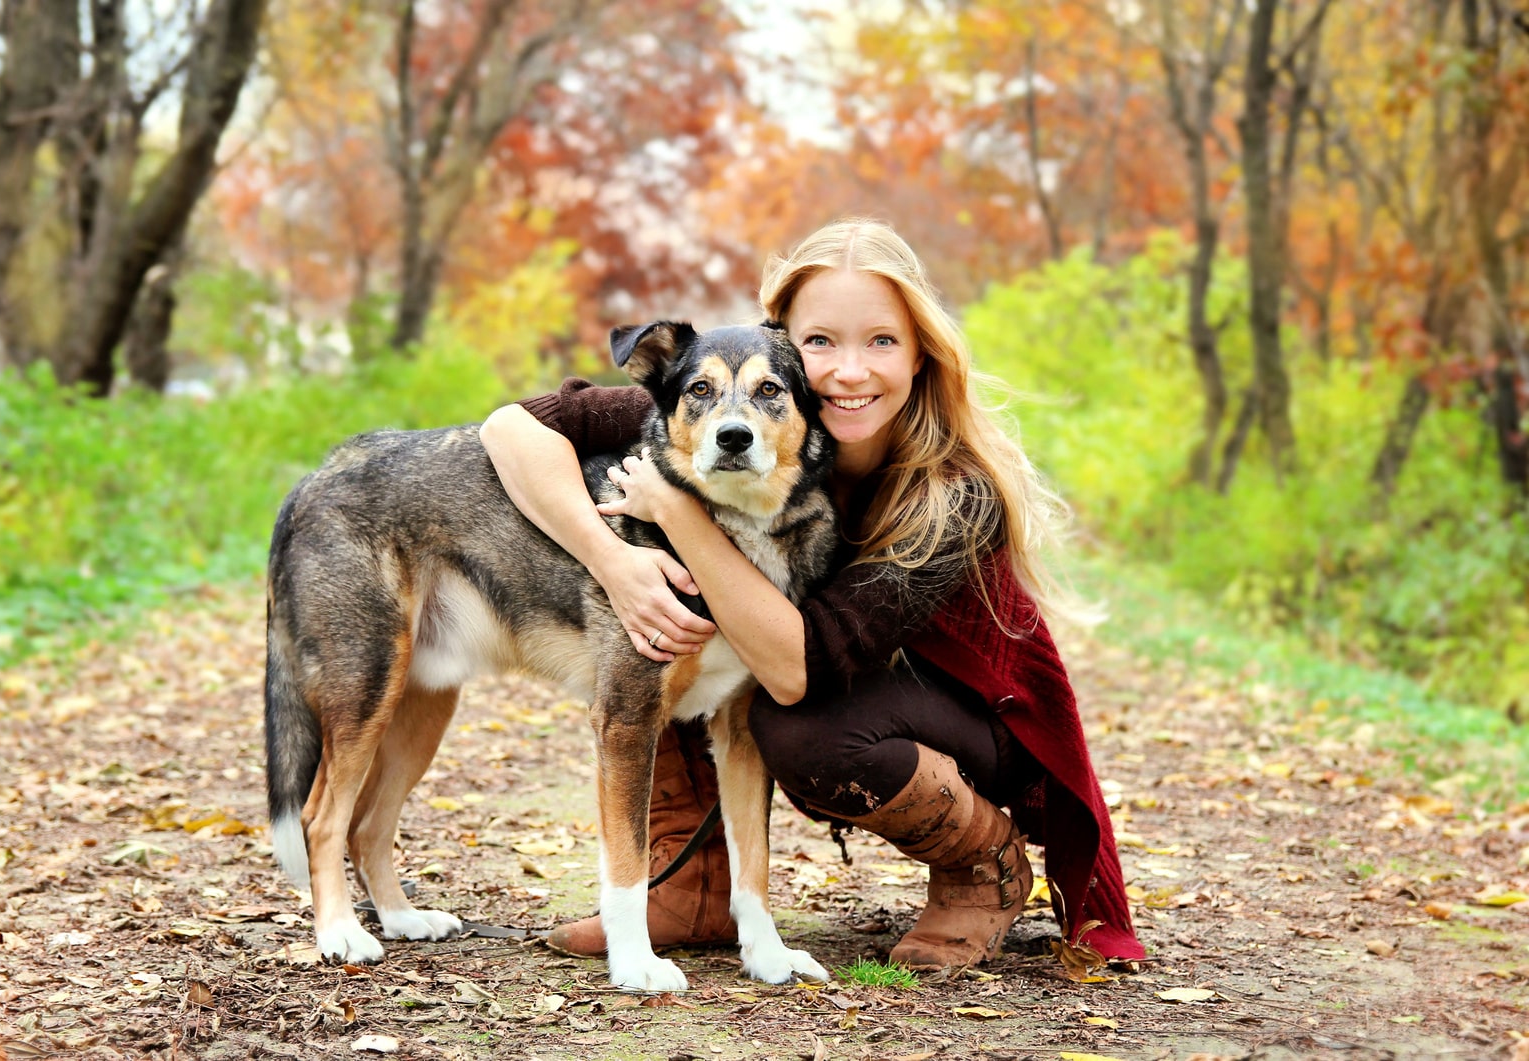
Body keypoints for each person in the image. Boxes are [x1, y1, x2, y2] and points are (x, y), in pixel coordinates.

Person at [479, 218, 1145, 969]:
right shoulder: (726, 399)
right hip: (837, 674)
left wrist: (674, 508)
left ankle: (979, 867)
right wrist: (612, 560)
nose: (849, 371)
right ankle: (692, 879)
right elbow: (510, 429)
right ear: (781, 337)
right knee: (666, 621)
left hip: (972, 720)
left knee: (789, 722)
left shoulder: (952, 496)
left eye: (882, 342)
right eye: (822, 342)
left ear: (922, 351)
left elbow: (796, 666)